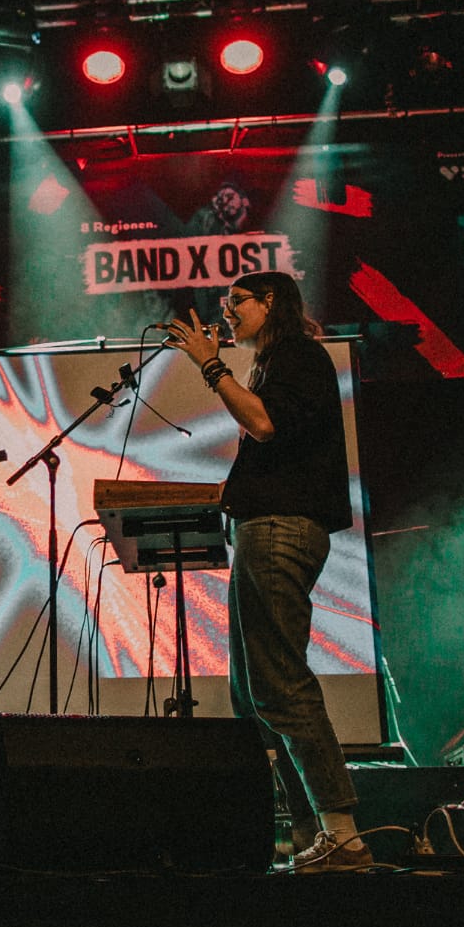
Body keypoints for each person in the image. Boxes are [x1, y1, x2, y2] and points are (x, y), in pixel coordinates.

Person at [160, 271, 373, 872]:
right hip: (264, 528)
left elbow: (263, 423)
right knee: (253, 695)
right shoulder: (276, 363)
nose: (227, 313)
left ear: (271, 301)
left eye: (237, 302)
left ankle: (342, 833)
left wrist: (209, 365)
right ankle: (314, 837)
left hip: (280, 529)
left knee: (279, 684)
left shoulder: (299, 355)